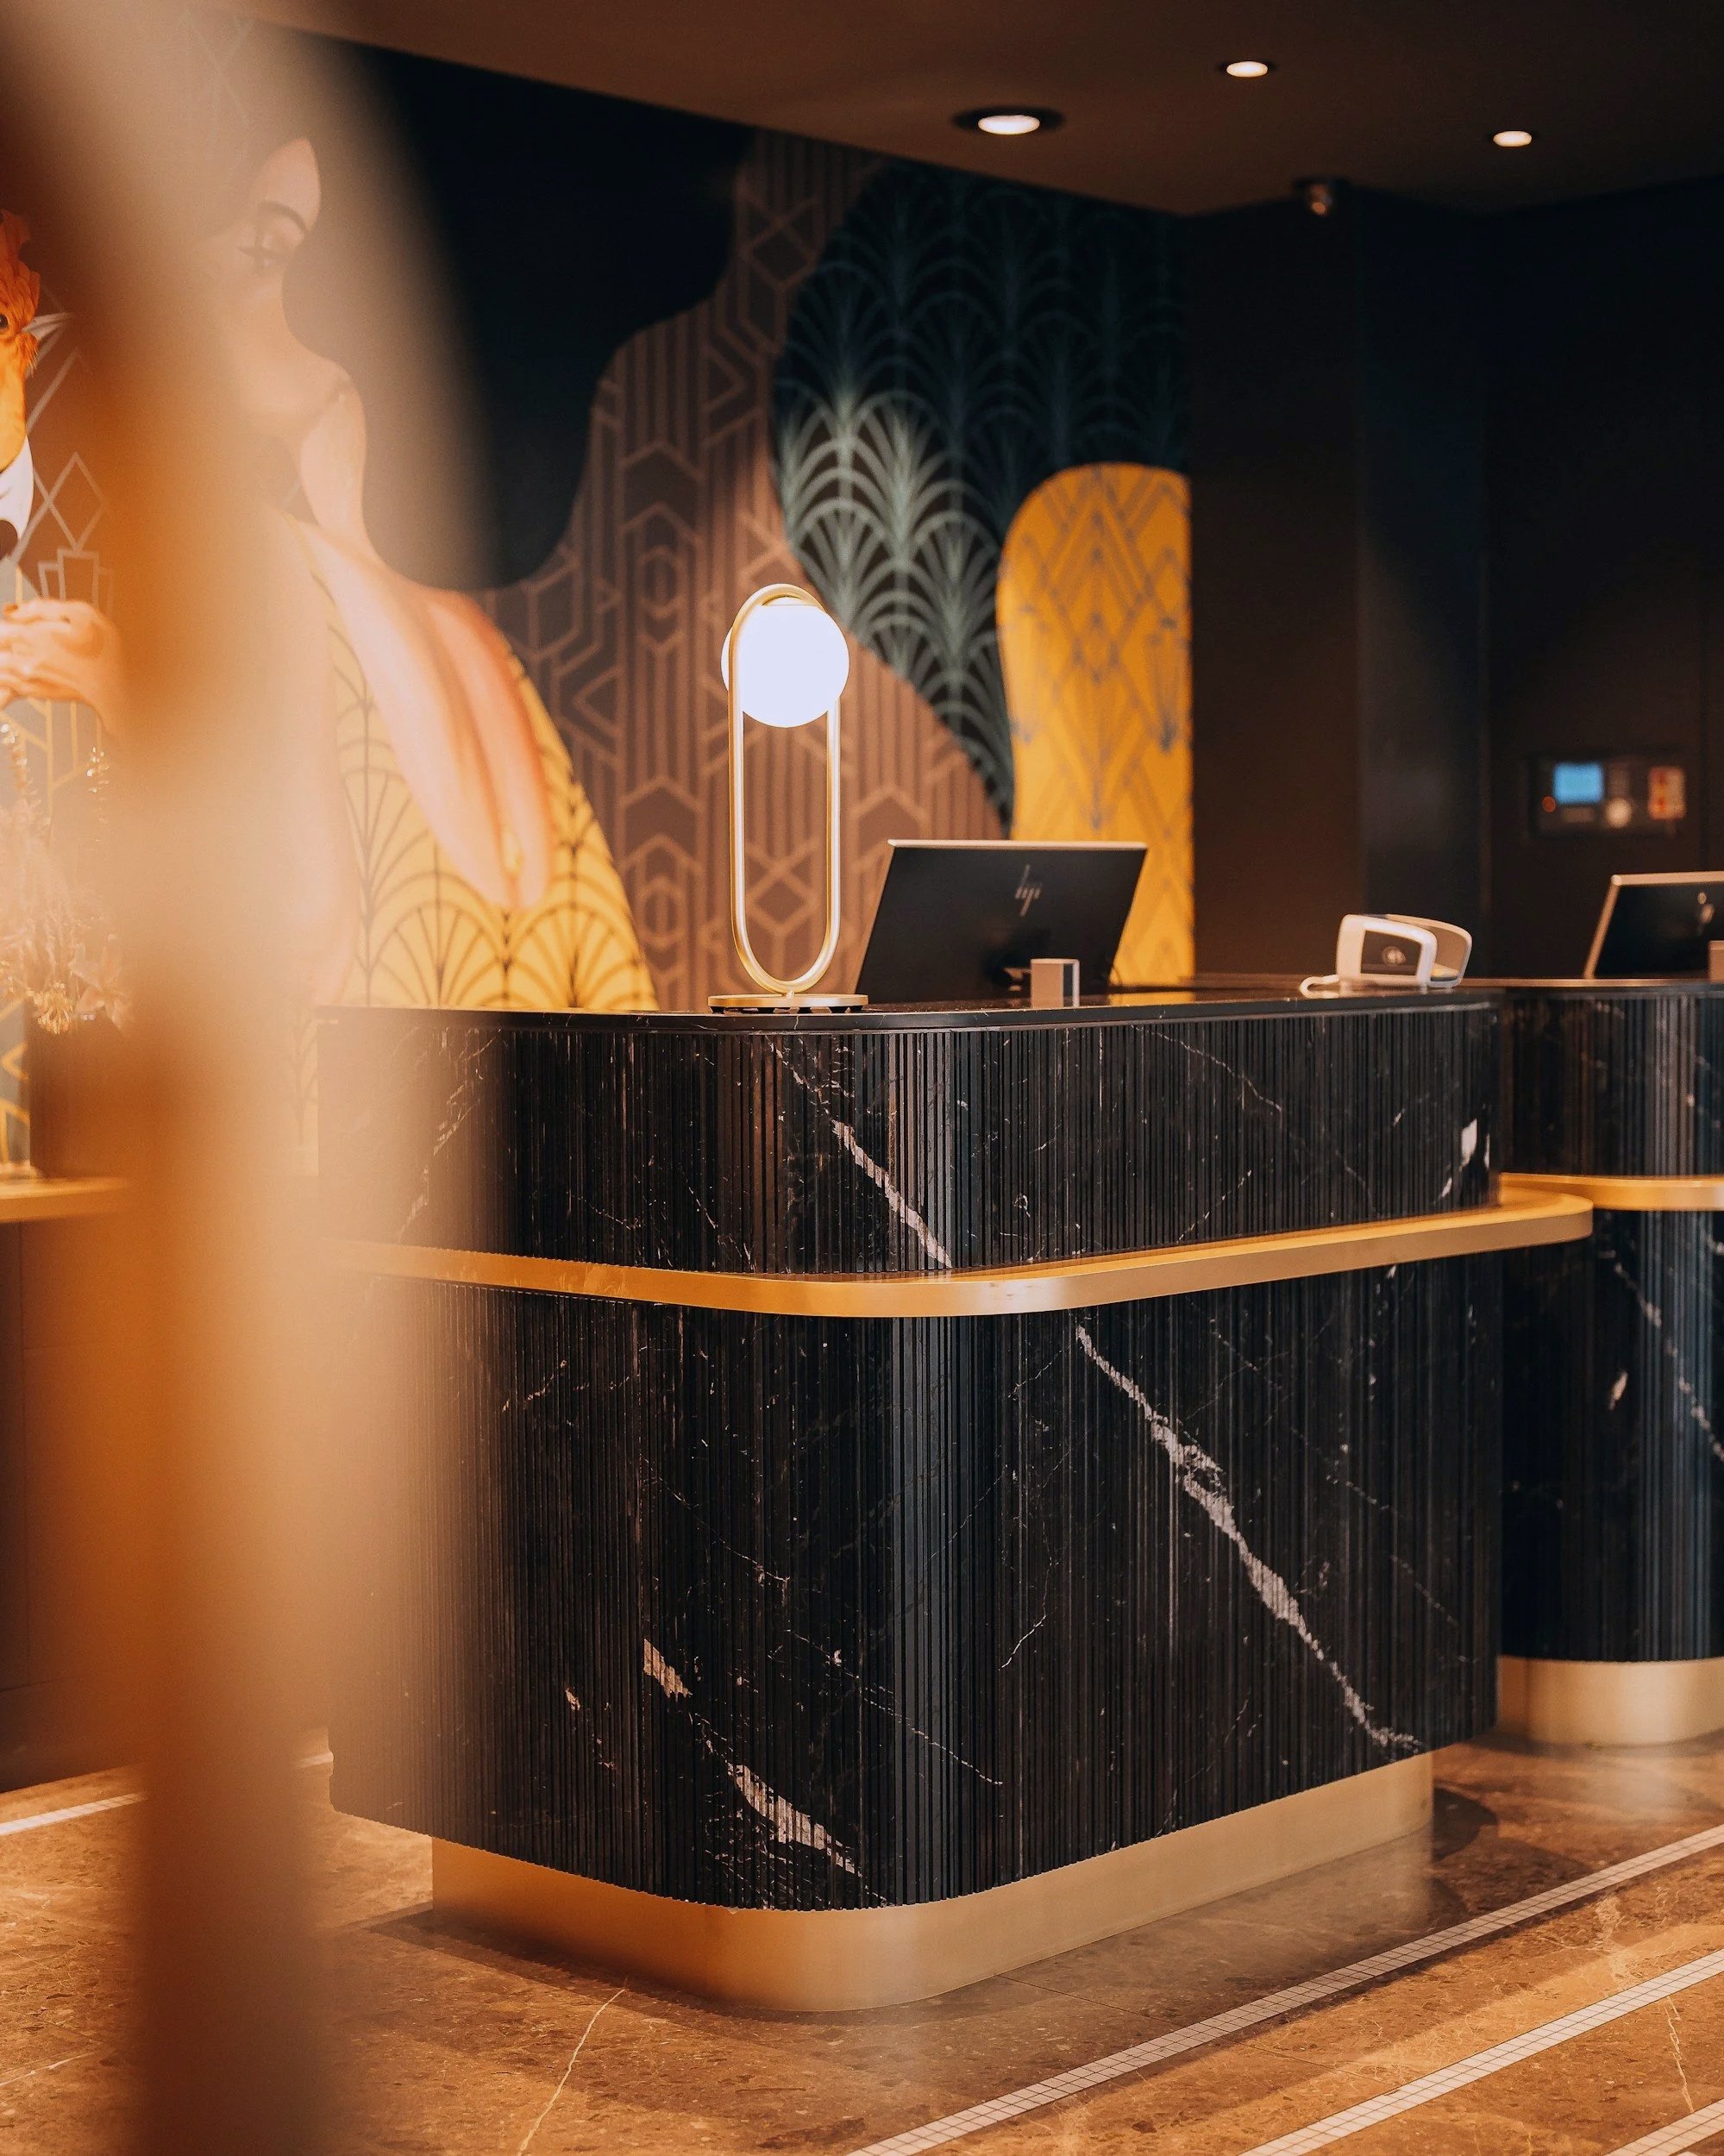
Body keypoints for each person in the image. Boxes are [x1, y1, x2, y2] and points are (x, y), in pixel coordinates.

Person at [0, 139, 655, 1142]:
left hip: (329, 1184)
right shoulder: (477, 640)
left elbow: (296, 914)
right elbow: (617, 1002)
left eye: (266, 253)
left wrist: (125, 698)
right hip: (516, 1185)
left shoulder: (273, 567)